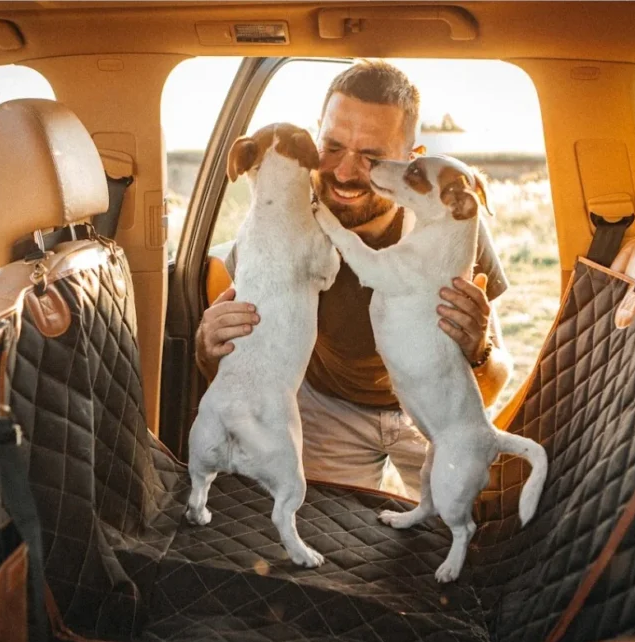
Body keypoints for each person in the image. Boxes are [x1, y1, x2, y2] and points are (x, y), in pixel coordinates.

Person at [195, 59, 513, 499]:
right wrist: (209, 347)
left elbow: (494, 381)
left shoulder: (447, 229)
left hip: (427, 410)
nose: (345, 173)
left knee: (487, 521)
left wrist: (477, 351)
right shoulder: (279, 226)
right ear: (313, 138)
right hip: (327, 410)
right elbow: (234, 364)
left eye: (372, 157)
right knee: (316, 530)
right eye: (333, 146)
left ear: (411, 161)